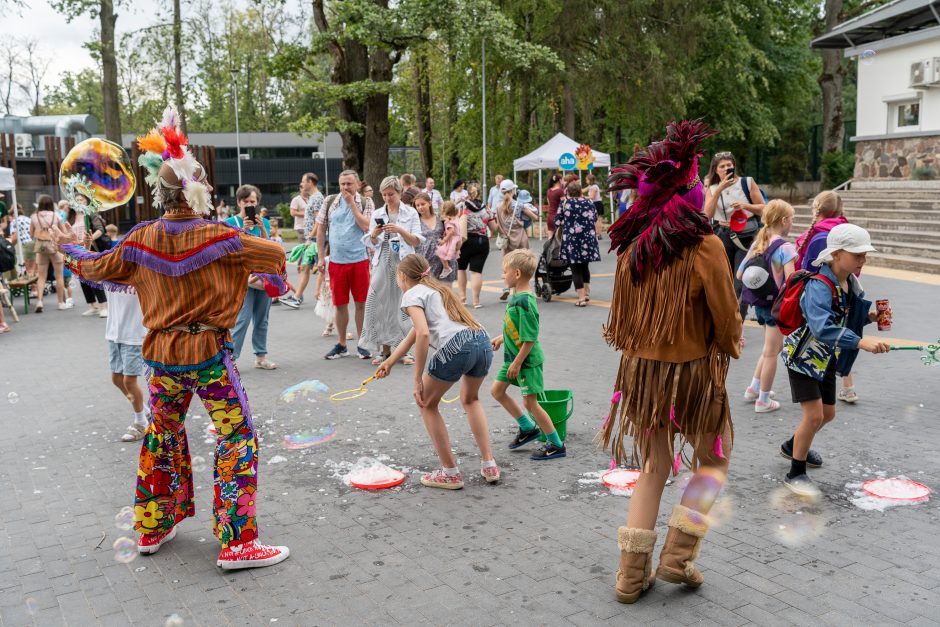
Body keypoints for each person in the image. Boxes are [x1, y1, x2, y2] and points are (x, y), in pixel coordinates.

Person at [58, 108, 289, 568]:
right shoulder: (223, 236)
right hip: (208, 354)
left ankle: (151, 527)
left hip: (161, 358)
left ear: (161, 194)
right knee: (237, 437)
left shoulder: (140, 239)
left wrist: (69, 246)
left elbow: (94, 267)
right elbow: (276, 254)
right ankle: (238, 542)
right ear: (198, 190)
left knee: (161, 436)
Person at [601, 120, 742, 604]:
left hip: (641, 373)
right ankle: (678, 559)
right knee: (714, 461)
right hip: (694, 372)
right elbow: (727, 318)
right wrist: (731, 347)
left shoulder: (631, 249)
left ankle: (629, 578)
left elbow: (622, 319)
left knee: (654, 466)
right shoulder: (706, 246)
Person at [780, 224, 889, 498]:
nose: (863, 259)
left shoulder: (849, 283)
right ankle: (795, 471)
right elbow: (820, 327)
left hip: (825, 358)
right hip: (803, 358)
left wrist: (870, 318)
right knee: (814, 415)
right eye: (858, 254)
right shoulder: (819, 285)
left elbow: (842, 316)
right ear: (837, 254)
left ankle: (793, 445)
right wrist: (860, 341)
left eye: (865, 254)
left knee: (827, 414)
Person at [375, 254, 499, 489]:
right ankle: (489, 465)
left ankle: (450, 473)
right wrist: (390, 361)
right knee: (471, 400)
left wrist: (417, 380)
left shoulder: (412, 294)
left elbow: (422, 334)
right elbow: (414, 334)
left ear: (402, 277)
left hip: (457, 346)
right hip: (481, 340)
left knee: (426, 404)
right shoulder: (438, 291)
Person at [490, 249, 566, 460]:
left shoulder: (525, 301)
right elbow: (516, 328)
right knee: (497, 391)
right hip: (515, 358)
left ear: (516, 274)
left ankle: (556, 444)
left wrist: (517, 363)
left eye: (504, 272)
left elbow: (530, 337)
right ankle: (527, 428)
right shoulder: (517, 297)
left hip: (526, 361)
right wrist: (500, 337)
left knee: (530, 403)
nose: (502, 275)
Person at [795, 191, 859, 403]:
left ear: (817, 209)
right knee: (841, 332)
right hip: (838, 292)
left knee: (831, 333)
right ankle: (847, 387)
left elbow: (804, 269)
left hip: (824, 294)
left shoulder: (815, 235)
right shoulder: (844, 232)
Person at [736, 200, 797, 413]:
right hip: (775, 307)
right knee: (772, 352)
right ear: (784, 220)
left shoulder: (758, 243)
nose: (792, 224)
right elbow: (791, 281)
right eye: (792, 219)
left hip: (759, 305)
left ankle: (754, 387)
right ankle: (763, 400)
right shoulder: (786, 248)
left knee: (771, 347)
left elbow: (740, 274)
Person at [361, 176, 424, 365]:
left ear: (400, 193)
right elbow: (371, 242)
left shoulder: (410, 212)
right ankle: (383, 349)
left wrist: (399, 230)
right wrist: (374, 234)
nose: (388, 198)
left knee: (403, 306)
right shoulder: (378, 213)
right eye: (384, 195)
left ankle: (403, 350)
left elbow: (417, 241)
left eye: (391, 194)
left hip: (403, 263)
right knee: (377, 303)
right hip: (383, 260)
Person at [316, 170, 374, 360]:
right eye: (342, 184)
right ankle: (341, 344)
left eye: (349, 184)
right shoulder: (330, 201)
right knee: (340, 304)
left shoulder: (366, 202)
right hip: (336, 262)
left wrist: (352, 205)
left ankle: (362, 344)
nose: (345, 188)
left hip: (359, 260)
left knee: (360, 304)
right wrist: (320, 257)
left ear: (357, 184)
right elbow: (321, 228)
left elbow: (367, 226)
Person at [702, 151, 765, 321]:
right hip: (723, 235)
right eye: (722, 166)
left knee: (741, 280)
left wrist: (745, 206)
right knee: (724, 280)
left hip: (746, 235)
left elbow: (763, 208)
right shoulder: (712, 188)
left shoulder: (747, 182)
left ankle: (738, 323)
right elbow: (707, 215)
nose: (726, 168)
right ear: (715, 170)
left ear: (734, 166)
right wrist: (719, 190)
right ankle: (724, 319)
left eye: (729, 165)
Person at [227, 185, 278, 369]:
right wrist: (244, 231)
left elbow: (268, 247)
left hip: (262, 278)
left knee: (262, 319)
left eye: (253, 201)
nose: (249, 204)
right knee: (242, 319)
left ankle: (261, 356)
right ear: (239, 202)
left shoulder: (262, 222)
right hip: (243, 279)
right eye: (246, 201)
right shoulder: (230, 222)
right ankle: (231, 359)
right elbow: (229, 250)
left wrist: (261, 229)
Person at [106, 288, 149, 442]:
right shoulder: (107, 269)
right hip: (114, 332)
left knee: (129, 381)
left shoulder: (137, 269)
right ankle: (145, 411)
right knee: (117, 379)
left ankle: (141, 422)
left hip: (134, 335)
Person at [63, 182, 110, 318]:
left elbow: (100, 230)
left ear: (86, 201)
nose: (78, 202)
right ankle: (92, 305)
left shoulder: (90, 214)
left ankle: (103, 306)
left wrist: (89, 240)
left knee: (93, 277)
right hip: (76, 251)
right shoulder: (71, 217)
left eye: (81, 199)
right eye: (76, 200)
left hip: (90, 250)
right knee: (82, 278)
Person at [557, 180, 601, 307]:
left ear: (568, 192)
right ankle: (586, 293)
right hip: (587, 239)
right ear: (581, 191)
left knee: (575, 269)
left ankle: (581, 298)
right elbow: (595, 218)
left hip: (572, 240)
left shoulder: (565, 203)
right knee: (584, 267)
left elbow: (557, 222)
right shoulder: (589, 202)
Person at [493, 179, 538, 301]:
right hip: (521, 239)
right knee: (523, 265)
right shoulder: (519, 205)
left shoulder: (498, 207)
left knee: (508, 265)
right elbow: (535, 217)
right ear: (513, 190)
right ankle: (519, 291)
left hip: (507, 240)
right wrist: (522, 222)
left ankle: (507, 287)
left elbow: (498, 225)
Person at [29, 195, 69, 312]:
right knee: (59, 276)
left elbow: (31, 233)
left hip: (41, 247)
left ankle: (40, 301)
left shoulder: (34, 216)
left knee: (41, 276)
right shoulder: (55, 215)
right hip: (54, 246)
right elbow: (63, 231)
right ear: (51, 204)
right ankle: (61, 303)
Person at [455, 183, 492, 309]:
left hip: (464, 241)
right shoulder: (486, 208)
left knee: (461, 268)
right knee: (476, 272)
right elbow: (494, 227)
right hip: (482, 241)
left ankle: (462, 298)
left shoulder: (461, 206)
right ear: (480, 193)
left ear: (467, 193)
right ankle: (476, 301)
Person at [413, 192, 445, 278]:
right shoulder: (415, 221)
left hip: (441, 261)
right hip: (424, 261)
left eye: (423, 204)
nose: (420, 207)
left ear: (430, 203)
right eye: (417, 205)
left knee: (442, 289)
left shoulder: (440, 218)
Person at [434, 200, 460, 280]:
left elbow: (451, 231)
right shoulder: (454, 218)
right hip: (456, 238)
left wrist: (444, 240)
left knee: (440, 252)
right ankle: (446, 267)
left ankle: (446, 268)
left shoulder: (447, 221)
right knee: (444, 253)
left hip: (451, 240)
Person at [585, 173, 604, 239]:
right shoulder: (590, 186)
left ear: (590, 180)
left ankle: (599, 234)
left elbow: (592, 197)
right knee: (596, 219)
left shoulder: (594, 187)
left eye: (587, 180)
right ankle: (598, 233)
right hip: (595, 204)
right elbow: (582, 190)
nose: (586, 181)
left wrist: (583, 197)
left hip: (597, 204)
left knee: (597, 220)